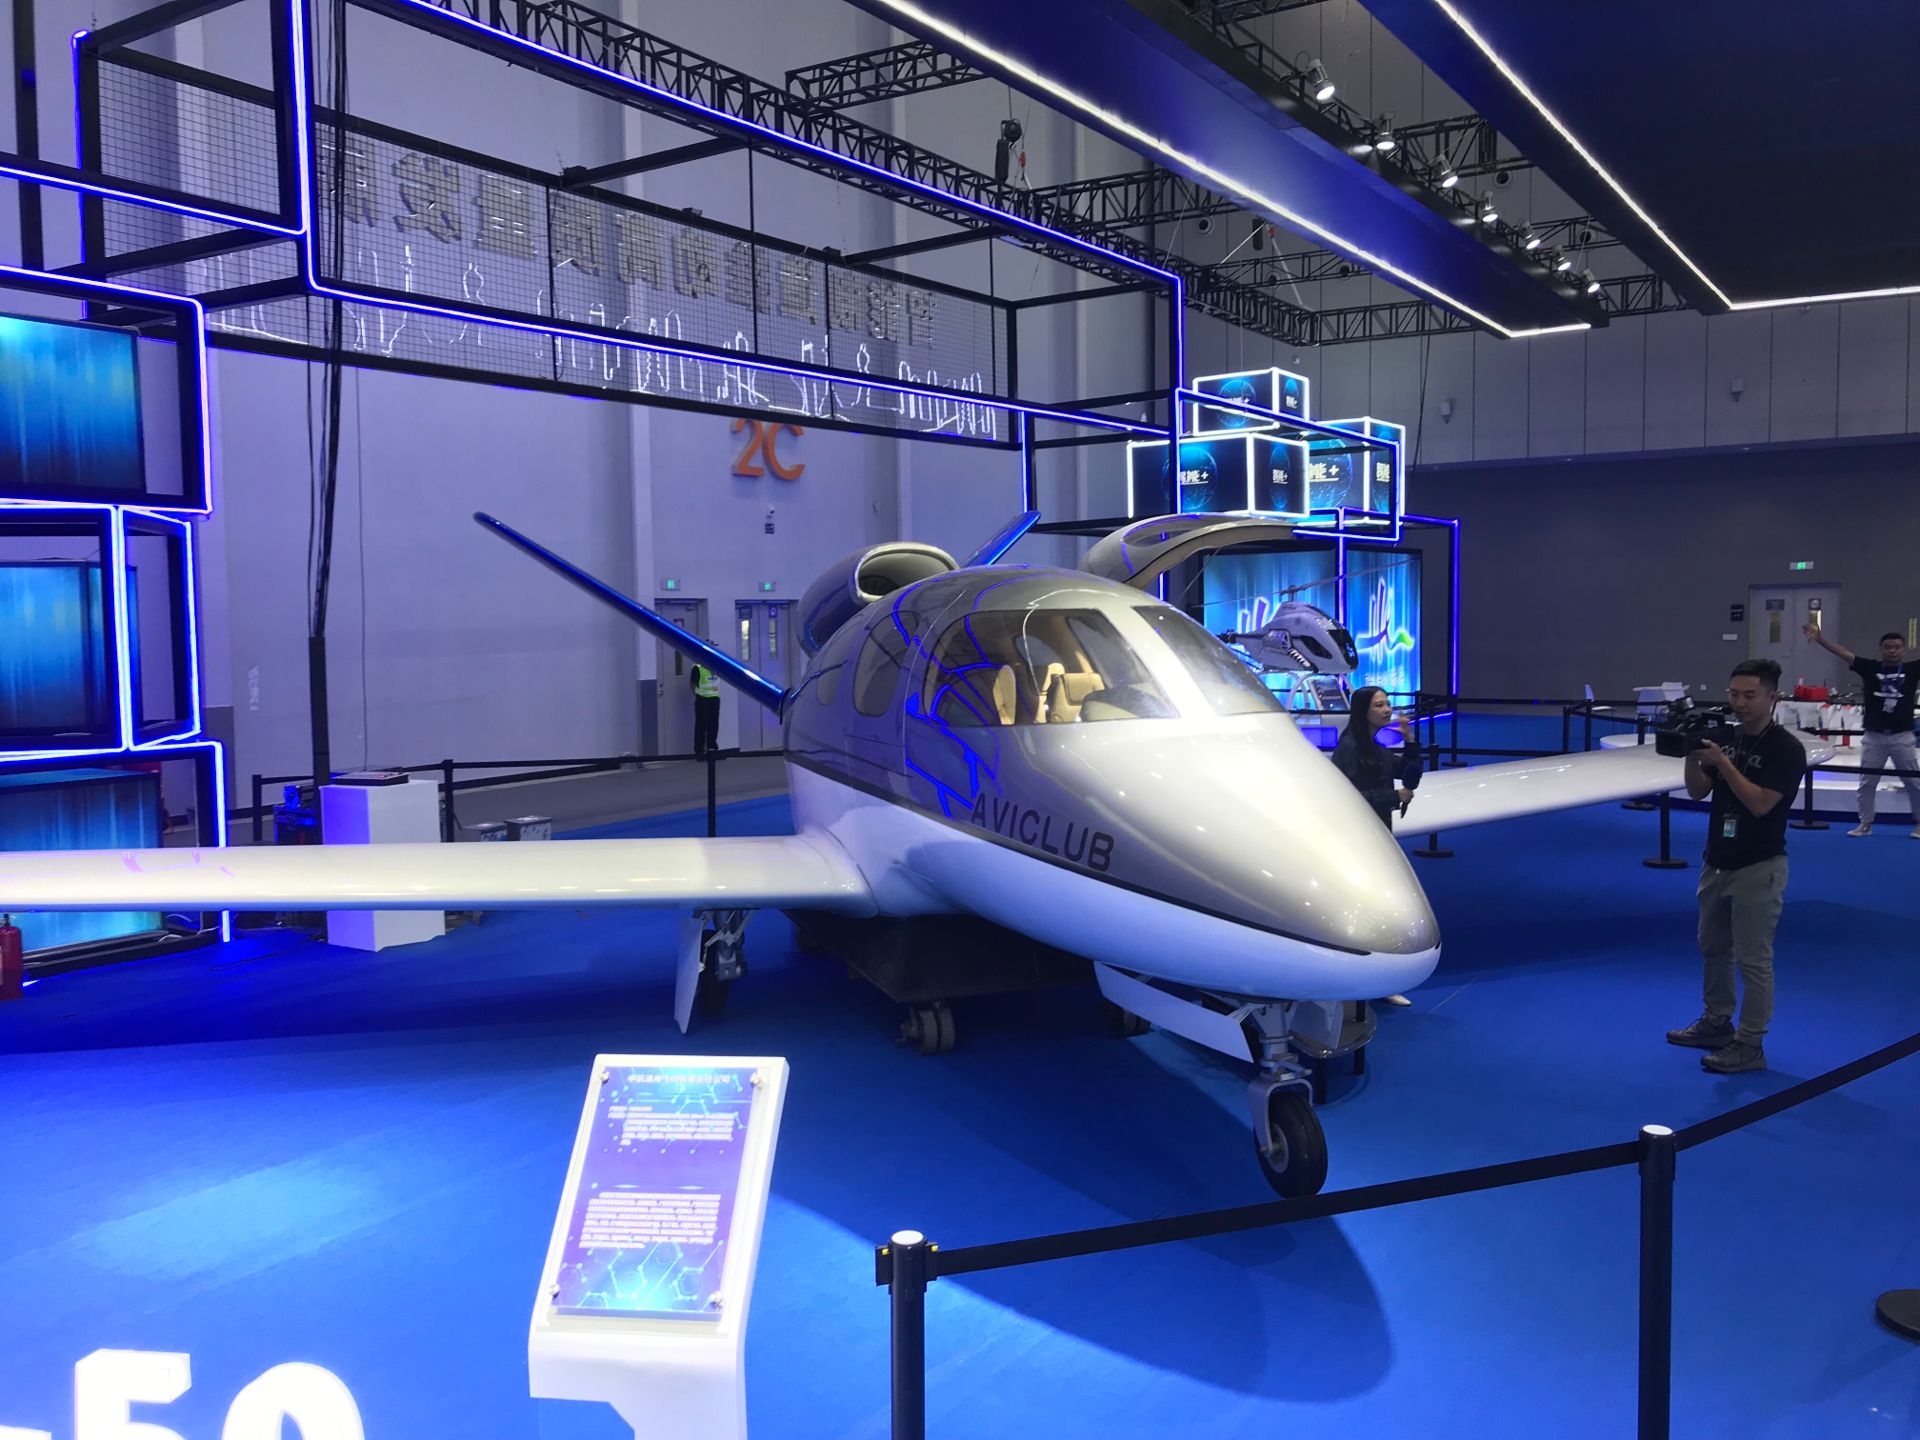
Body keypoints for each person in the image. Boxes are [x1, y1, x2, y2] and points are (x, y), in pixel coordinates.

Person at [1666, 659, 1806, 1074]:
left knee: (1753, 959)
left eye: (1749, 695)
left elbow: (1761, 804)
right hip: (1717, 861)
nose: (1739, 703)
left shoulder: (1785, 749)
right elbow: (1698, 792)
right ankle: (1716, 1021)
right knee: (1713, 948)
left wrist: (1724, 764)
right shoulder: (1725, 737)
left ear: (1772, 697)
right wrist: (1692, 756)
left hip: (1758, 865)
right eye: (1733, 694)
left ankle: (1750, 1043)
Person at [1330, 685, 1416, 1007]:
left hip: (1377, 832)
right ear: (1363, 710)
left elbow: (1410, 774)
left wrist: (1410, 740)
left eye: (1387, 704)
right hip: (1358, 837)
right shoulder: (1349, 749)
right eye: (1379, 705)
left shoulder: (1374, 748)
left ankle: (1378, 978)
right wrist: (1393, 796)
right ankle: (1367, 979)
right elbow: (1346, 798)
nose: (1387, 709)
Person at [1804, 623, 1920, 838]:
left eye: (1897, 647)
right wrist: (1820, 639)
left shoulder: (1913, 669)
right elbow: (1844, 654)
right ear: (1881, 649)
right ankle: (1865, 823)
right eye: (1888, 647)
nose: (1892, 651)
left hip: (1902, 736)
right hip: (1874, 736)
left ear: (1904, 650)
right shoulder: (1870, 668)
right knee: (1867, 783)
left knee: (1914, 782)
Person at [690, 661, 721, 757]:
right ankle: (699, 751)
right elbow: (693, 684)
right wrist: (698, 694)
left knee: (714, 725)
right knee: (701, 725)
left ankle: (712, 749)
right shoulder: (697, 668)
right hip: (702, 699)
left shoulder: (715, 666)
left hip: (714, 698)